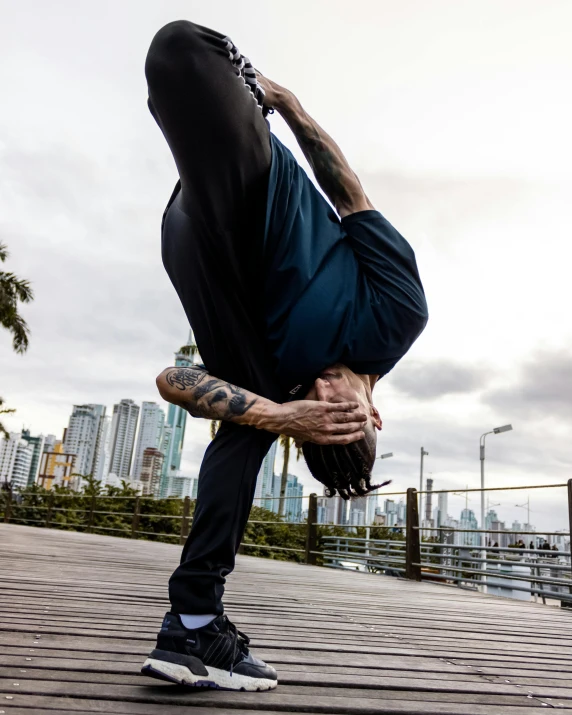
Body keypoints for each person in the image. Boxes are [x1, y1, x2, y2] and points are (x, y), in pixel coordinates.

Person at [141, 20, 428, 691]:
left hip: (200, 251)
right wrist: (287, 103)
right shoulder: (396, 317)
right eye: (345, 413)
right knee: (182, 49)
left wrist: (285, 414)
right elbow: (350, 195)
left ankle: (193, 619)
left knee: (251, 408)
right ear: (376, 414)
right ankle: (193, 618)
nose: (326, 397)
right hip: (261, 188)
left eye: (318, 416)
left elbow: (170, 378)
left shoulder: (282, 387)